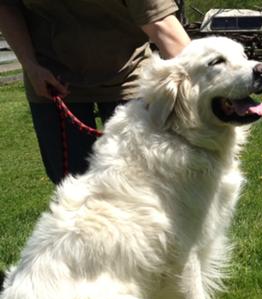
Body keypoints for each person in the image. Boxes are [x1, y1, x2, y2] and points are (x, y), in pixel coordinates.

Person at [0, 1, 190, 184]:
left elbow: (162, 24)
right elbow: (7, 6)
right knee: (71, 185)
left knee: (142, 179)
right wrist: (30, 64)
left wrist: (201, 85)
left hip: (129, 75)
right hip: (52, 81)